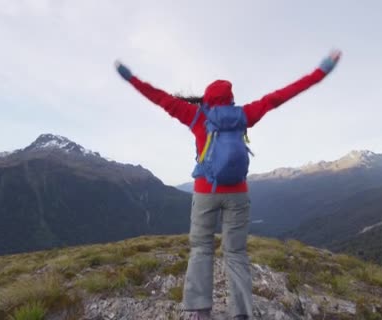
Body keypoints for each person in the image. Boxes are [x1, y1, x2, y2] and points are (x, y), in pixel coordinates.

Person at [115, 50, 341, 320]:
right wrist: (320, 72)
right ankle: (241, 314)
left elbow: (161, 98)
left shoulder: (196, 116)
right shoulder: (245, 115)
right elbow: (282, 95)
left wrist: (131, 79)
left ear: (207, 100)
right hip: (238, 194)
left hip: (205, 193)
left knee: (201, 249)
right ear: (231, 99)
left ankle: (200, 312)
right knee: (235, 253)